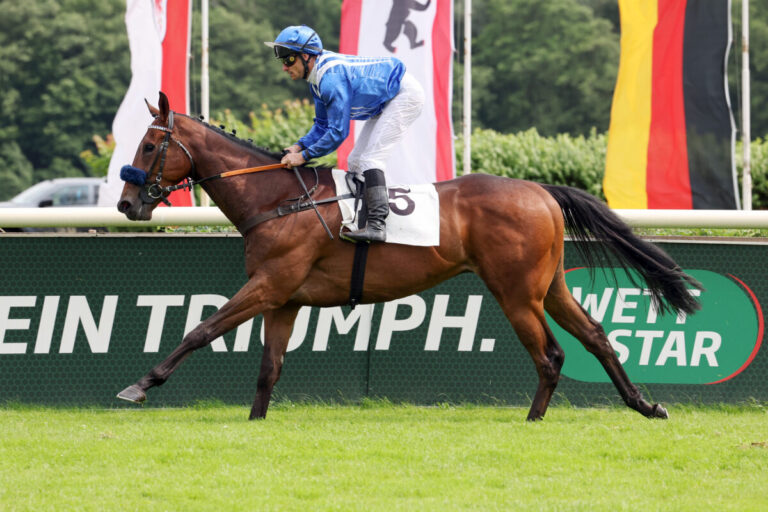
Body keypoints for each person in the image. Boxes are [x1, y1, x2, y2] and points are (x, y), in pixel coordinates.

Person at [265, 25, 425, 243]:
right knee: (355, 160)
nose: (284, 68)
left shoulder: (330, 80)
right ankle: (363, 218)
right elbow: (322, 124)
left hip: (403, 95)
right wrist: (299, 146)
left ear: (305, 56)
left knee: (370, 160)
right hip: (385, 101)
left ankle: (378, 225)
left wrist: (303, 157)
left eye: (288, 60)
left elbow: (338, 133)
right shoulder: (317, 80)